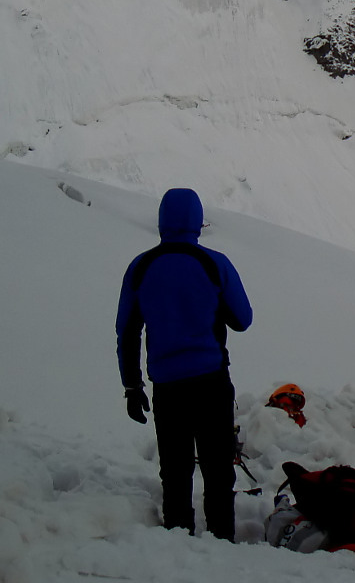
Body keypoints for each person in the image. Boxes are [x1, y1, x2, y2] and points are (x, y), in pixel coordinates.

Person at [115, 188, 253, 541]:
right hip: (211, 382)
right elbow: (242, 319)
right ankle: (222, 542)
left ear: (162, 220)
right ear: (197, 221)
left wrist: (132, 386)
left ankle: (178, 543)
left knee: (175, 473)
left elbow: (127, 332)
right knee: (219, 471)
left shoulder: (141, 267)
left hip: (167, 387)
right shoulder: (214, 263)